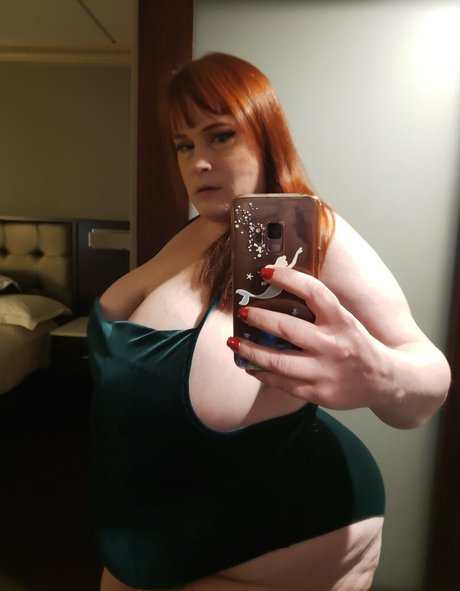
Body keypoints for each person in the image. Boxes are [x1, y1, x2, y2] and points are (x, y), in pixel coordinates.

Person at [87, 53, 451, 591]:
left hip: (290, 531)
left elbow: (430, 374)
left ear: (266, 136)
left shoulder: (302, 233)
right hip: (167, 531)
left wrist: (375, 373)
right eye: (184, 145)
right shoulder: (199, 230)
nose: (197, 162)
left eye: (219, 137)